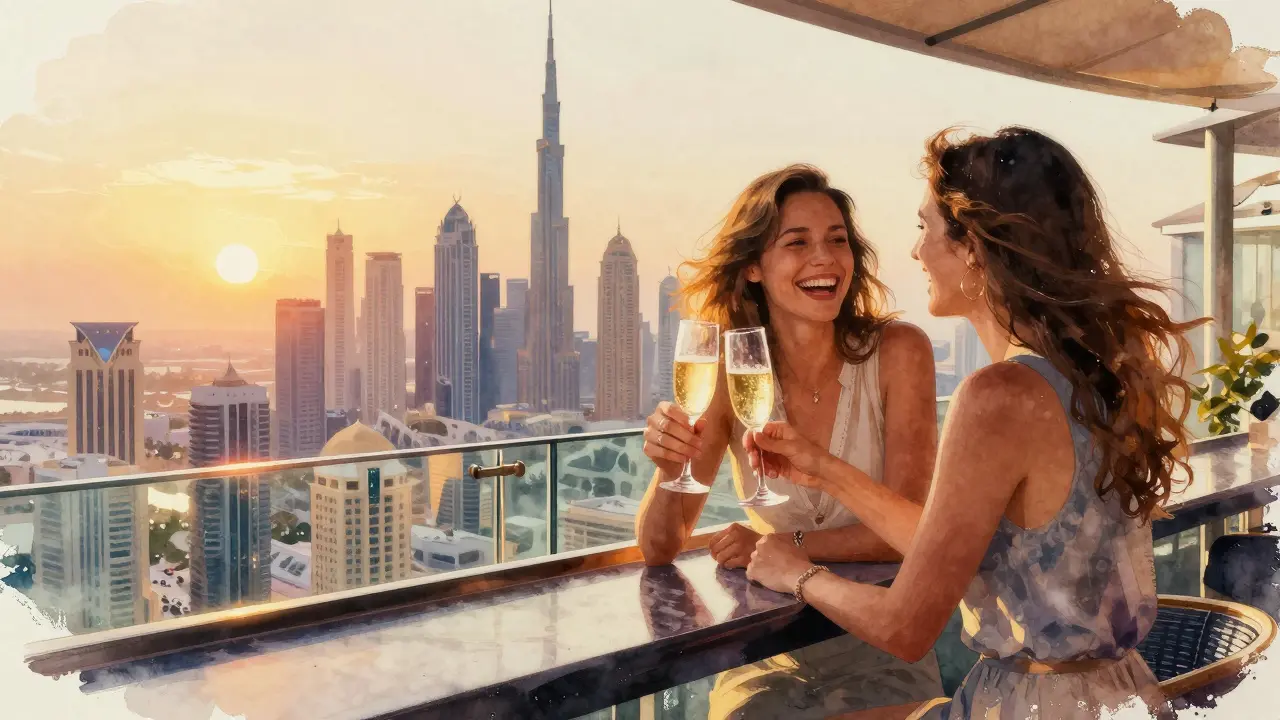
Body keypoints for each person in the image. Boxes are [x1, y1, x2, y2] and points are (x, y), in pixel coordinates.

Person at [744, 127, 1201, 719]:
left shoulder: (999, 394)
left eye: (925, 229)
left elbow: (905, 628)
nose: (914, 252)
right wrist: (824, 469)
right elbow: (957, 547)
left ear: (975, 249)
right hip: (1117, 695)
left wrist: (797, 572)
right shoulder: (1093, 372)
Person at [635, 164, 945, 718]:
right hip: (767, 648)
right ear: (754, 266)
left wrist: (784, 550)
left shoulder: (900, 352)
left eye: (837, 241)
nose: (824, 258)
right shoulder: (730, 372)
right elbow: (660, 546)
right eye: (797, 243)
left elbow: (908, 529)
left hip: (881, 638)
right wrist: (668, 463)